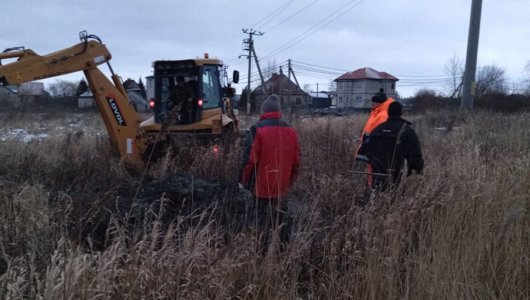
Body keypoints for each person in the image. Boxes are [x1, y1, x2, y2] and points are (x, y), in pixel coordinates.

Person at [240, 94, 300, 254]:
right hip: (282, 188)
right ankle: (283, 256)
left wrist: (244, 182)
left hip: (261, 189)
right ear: (279, 111)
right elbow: (296, 163)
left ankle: (260, 257)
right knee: (282, 224)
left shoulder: (257, 129)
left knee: (261, 224)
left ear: (263, 110)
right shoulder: (291, 131)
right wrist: (288, 184)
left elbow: (249, 161)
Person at [360, 101, 424, 191]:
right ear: (401, 112)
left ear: (388, 112)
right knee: (392, 194)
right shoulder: (406, 130)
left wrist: (373, 161)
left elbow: (366, 148)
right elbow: (414, 152)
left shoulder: (378, 128)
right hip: (396, 170)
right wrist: (418, 168)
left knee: (376, 193)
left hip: (377, 170)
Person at [355, 89, 395, 187]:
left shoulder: (382, 115)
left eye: (373, 102)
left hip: (377, 151)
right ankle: (373, 192)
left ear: (378, 103)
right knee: (373, 173)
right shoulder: (377, 113)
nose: (371, 104)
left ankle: (377, 194)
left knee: (377, 174)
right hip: (372, 149)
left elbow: (380, 135)